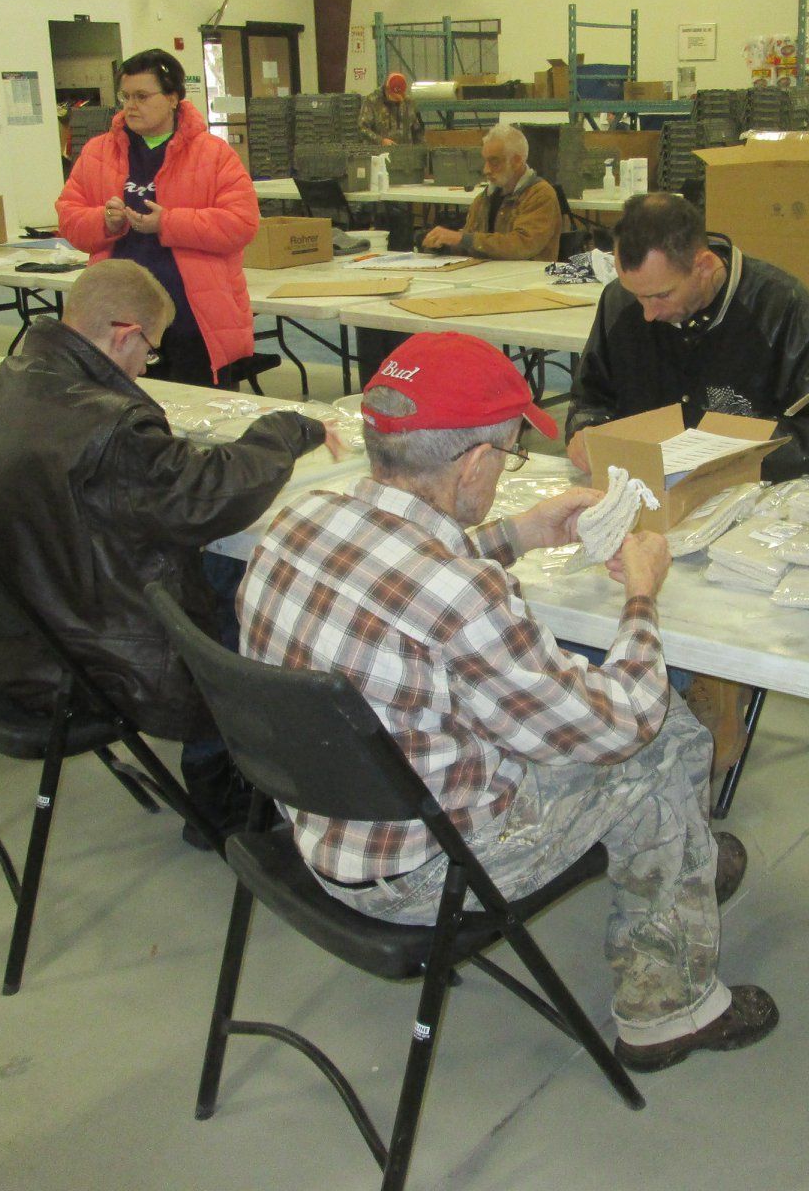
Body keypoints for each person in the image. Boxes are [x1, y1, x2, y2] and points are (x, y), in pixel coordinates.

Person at [240, 330, 778, 1070]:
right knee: (668, 738)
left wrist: (517, 533)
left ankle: (681, 859)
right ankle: (669, 1013)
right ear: (475, 464)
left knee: (611, 725)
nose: (505, 467)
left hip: (316, 827)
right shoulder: (462, 596)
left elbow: (406, 585)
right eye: (509, 453)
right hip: (422, 877)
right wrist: (645, 596)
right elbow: (618, 722)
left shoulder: (298, 524)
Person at [0, 260, 333, 845]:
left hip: (15, 631)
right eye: (148, 351)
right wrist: (284, 429)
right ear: (124, 333)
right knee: (258, 583)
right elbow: (210, 497)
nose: (146, 366)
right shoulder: (112, 426)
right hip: (96, 654)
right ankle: (219, 787)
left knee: (219, 566)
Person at [565, 192, 809, 484]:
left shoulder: (785, 311)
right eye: (635, 294)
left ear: (704, 265)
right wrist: (584, 430)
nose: (647, 313)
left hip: (758, 498)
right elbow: (591, 397)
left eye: (662, 295)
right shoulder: (621, 302)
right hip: (646, 493)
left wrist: (730, 459)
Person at [56, 47, 259, 388]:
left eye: (142, 96)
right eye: (125, 97)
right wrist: (105, 222)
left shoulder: (214, 154)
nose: (131, 106)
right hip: (116, 324)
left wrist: (167, 224)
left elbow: (241, 223)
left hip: (193, 321)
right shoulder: (97, 153)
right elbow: (69, 219)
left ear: (173, 98)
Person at [420, 124, 562, 260]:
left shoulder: (540, 195)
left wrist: (462, 239)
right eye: (485, 161)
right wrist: (443, 244)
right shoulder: (484, 199)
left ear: (517, 161)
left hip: (528, 280)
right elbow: (471, 244)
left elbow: (522, 245)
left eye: (494, 162)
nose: (486, 170)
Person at [359, 72, 424, 147]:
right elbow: (362, 128)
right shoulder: (372, 102)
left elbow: (417, 130)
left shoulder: (408, 102)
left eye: (400, 96)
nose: (397, 100)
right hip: (379, 154)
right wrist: (380, 141)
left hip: (405, 153)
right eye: (394, 96)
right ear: (387, 89)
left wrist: (421, 150)